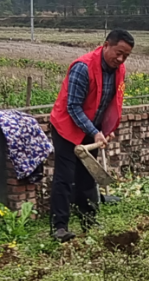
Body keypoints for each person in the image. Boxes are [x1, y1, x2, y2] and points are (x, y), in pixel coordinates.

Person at [48, 29, 134, 242]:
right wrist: (95, 132)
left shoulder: (118, 70)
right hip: (66, 127)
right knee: (65, 177)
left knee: (87, 177)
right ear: (106, 45)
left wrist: (106, 130)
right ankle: (59, 226)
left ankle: (88, 220)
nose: (121, 59)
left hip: (90, 128)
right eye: (118, 52)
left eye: (126, 56)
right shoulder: (83, 68)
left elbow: (109, 104)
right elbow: (73, 107)